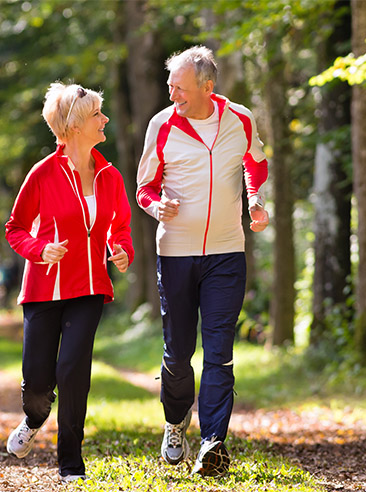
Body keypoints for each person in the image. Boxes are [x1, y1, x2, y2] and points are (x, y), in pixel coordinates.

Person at [136, 45, 269, 477]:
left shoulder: (240, 119)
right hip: (175, 252)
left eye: (180, 87)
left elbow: (256, 163)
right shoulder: (161, 125)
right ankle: (176, 423)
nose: (172, 93)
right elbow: (144, 188)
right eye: (170, 85)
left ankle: (213, 441)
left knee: (220, 351)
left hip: (227, 253)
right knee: (178, 354)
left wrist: (255, 199)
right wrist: (157, 207)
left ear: (207, 87)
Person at [4, 82, 134, 483]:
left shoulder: (109, 175)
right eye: (97, 114)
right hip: (44, 290)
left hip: (90, 286)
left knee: (73, 370)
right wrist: (40, 250)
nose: (105, 119)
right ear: (76, 125)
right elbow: (16, 228)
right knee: (39, 385)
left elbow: (121, 226)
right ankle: (33, 417)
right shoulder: (43, 174)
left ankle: (70, 465)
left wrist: (121, 250)